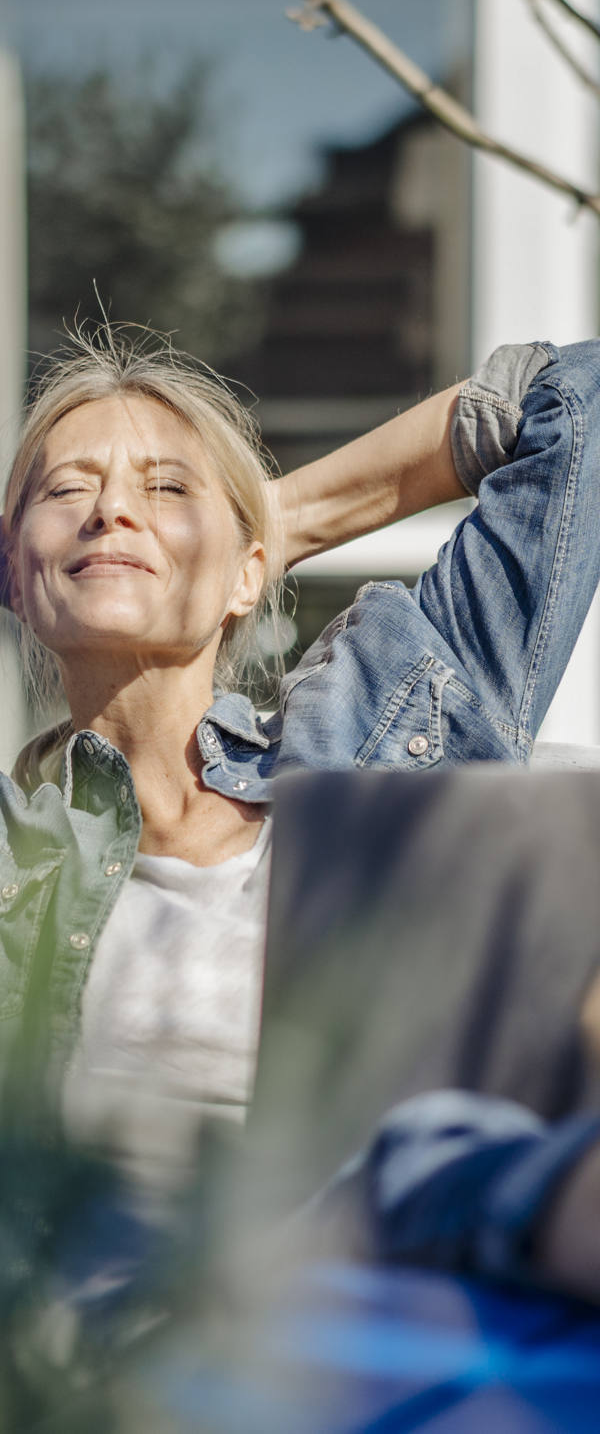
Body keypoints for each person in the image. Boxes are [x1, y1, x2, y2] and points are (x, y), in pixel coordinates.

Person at [2, 326, 600, 1294]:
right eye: (66, 491)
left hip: (377, 1289)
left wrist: (278, 522)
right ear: (12, 574)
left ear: (252, 574)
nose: (110, 510)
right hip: (96, 1338)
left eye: (167, 488)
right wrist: (198, 535)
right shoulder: (14, 848)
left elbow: (579, 398)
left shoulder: (380, 728)